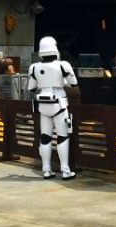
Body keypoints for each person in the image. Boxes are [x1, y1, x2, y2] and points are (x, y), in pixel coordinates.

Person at [27, 35, 78, 180]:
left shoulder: (34, 67)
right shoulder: (63, 65)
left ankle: (46, 170)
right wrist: (61, 81)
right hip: (60, 103)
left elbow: (31, 88)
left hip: (43, 105)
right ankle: (65, 170)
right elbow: (73, 83)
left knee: (45, 137)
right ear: (55, 49)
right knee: (62, 136)